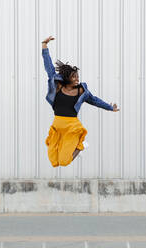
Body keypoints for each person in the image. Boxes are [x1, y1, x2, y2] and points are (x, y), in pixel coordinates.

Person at [42, 36, 119, 167]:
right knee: (54, 160)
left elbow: (95, 101)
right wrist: (44, 46)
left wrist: (110, 108)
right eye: (74, 77)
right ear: (67, 78)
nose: (77, 79)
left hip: (72, 126)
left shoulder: (82, 91)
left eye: (78, 76)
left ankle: (81, 145)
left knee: (64, 161)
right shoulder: (58, 86)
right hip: (57, 126)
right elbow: (49, 69)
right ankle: (75, 146)